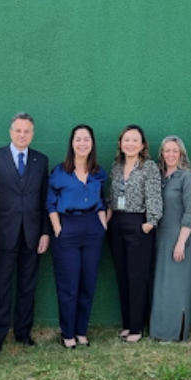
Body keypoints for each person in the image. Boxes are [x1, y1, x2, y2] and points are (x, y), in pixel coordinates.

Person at [0, 112, 50, 356]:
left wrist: (44, 232)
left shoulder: (41, 161)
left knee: (27, 286)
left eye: (27, 131)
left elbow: (44, 201)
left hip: (32, 236)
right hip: (2, 236)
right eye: (18, 130)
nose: (22, 135)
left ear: (33, 134)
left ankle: (23, 332)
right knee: (0, 286)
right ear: (11, 132)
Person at [46, 125, 108, 349]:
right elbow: (50, 202)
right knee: (69, 284)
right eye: (78, 139)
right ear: (72, 143)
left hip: (93, 227)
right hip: (67, 228)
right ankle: (68, 333)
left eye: (87, 139)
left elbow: (102, 201)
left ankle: (82, 331)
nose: (82, 143)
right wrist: (57, 228)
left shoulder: (98, 172)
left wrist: (102, 225)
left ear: (92, 144)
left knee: (88, 283)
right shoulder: (60, 172)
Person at [107, 125, 163, 343]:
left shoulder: (148, 167)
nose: (130, 144)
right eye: (126, 140)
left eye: (135, 140)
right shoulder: (116, 166)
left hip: (139, 223)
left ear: (142, 145)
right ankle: (127, 323)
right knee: (122, 274)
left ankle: (138, 328)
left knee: (137, 276)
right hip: (117, 222)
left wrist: (150, 222)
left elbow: (154, 196)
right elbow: (112, 195)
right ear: (120, 143)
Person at [149, 136, 191, 342]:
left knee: (176, 285)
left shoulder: (186, 176)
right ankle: (159, 331)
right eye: (167, 151)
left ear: (181, 154)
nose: (170, 155)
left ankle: (175, 332)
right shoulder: (160, 176)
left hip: (179, 236)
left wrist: (180, 242)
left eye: (174, 151)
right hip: (160, 236)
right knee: (161, 285)